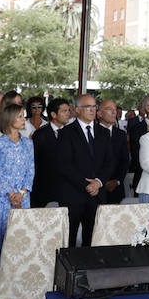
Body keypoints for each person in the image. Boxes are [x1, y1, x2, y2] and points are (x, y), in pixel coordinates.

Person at [55, 95, 108, 246]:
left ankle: (90, 269)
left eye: (94, 106)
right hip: (73, 194)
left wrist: (98, 182)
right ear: (77, 110)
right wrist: (86, 185)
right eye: (88, 107)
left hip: (97, 195)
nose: (92, 110)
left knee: (92, 239)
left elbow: (110, 162)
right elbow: (64, 165)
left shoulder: (103, 132)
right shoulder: (66, 132)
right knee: (69, 239)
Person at [0, 103, 33, 273]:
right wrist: (11, 193)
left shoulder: (28, 144)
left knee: (20, 237)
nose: (24, 119)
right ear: (10, 119)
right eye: (20, 116)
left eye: (24, 116)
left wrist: (21, 193)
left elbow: (31, 170)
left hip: (23, 198)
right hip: (1, 198)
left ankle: (18, 275)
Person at [32, 98, 70, 207]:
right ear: (53, 114)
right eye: (64, 111)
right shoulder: (40, 134)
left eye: (68, 111)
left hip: (66, 188)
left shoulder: (71, 133)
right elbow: (35, 162)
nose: (68, 114)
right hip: (43, 188)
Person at [95, 99, 128, 204]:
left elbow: (125, 160)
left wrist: (117, 181)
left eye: (115, 109)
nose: (114, 112)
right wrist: (101, 181)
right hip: (96, 188)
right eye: (109, 109)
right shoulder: (92, 133)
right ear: (99, 114)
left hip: (116, 188)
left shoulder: (121, 134)